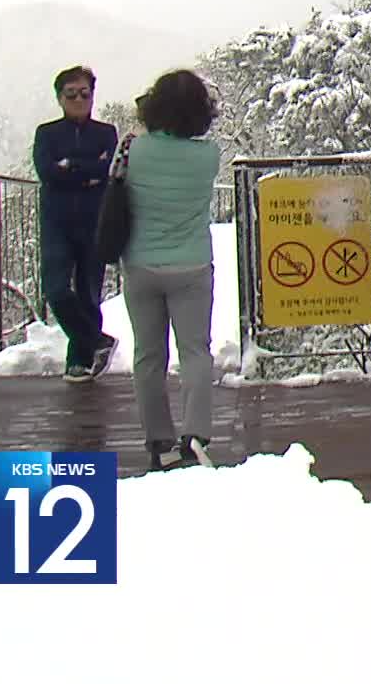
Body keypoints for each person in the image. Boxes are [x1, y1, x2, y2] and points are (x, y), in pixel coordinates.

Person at [120, 70, 223, 470]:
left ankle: (158, 441)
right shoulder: (208, 156)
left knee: (149, 356)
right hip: (192, 264)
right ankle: (195, 435)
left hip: (141, 264)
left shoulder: (132, 149)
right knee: (195, 351)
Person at [33, 66, 120, 382]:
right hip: (57, 222)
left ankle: (80, 360)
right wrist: (87, 171)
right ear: (59, 98)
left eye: (85, 93)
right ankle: (96, 341)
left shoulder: (106, 132)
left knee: (88, 292)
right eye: (71, 94)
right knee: (55, 289)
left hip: (95, 220)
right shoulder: (47, 133)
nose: (79, 99)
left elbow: (106, 169)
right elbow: (47, 172)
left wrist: (70, 167)